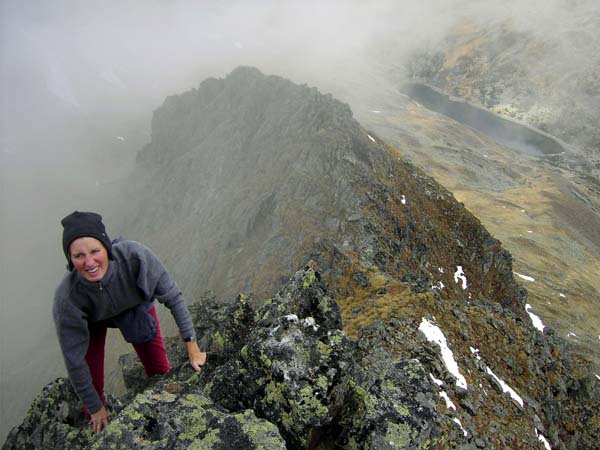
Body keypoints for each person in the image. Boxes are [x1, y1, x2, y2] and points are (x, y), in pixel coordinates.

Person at [53, 211, 206, 433]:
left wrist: (192, 346)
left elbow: (173, 297)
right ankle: (98, 427)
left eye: (95, 251)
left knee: (160, 371)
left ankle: (168, 420)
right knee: (92, 385)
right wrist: (95, 408)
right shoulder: (68, 298)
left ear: (107, 247)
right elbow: (74, 359)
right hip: (91, 319)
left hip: (133, 304)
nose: (89, 262)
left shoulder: (135, 258)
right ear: (70, 259)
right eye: (78, 256)